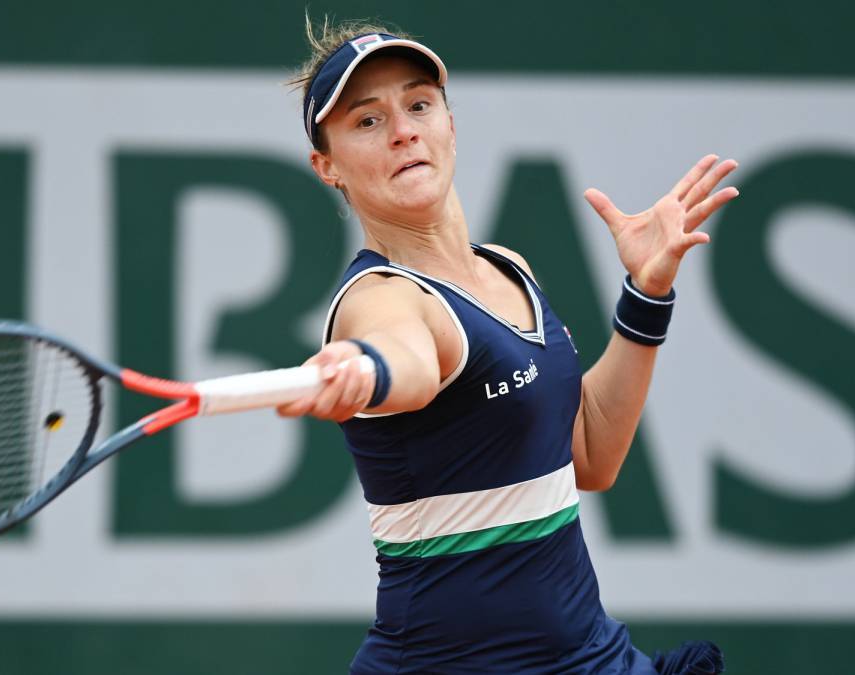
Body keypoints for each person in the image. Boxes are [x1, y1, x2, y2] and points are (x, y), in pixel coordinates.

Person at [279, 18, 736, 675]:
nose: (404, 129)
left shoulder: (507, 268)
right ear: (326, 166)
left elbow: (591, 453)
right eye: (367, 121)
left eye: (418, 104)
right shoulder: (379, 298)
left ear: (449, 124)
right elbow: (405, 356)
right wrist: (366, 368)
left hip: (593, 659)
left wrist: (646, 292)